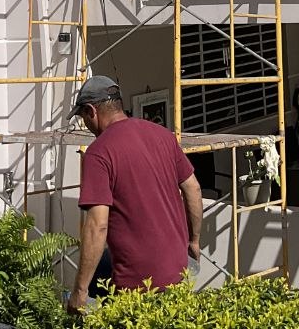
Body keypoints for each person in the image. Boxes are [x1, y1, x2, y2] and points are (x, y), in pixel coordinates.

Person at [67, 76, 203, 313]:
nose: (86, 126)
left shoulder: (99, 153)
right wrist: (194, 241)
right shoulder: (162, 135)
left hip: (137, 285)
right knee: (104, 262)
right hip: (178, 270)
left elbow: (97, 225)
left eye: (83, 118)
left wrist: (79, 292)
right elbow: (193, 188)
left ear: (91, 111)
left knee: (83, 292)